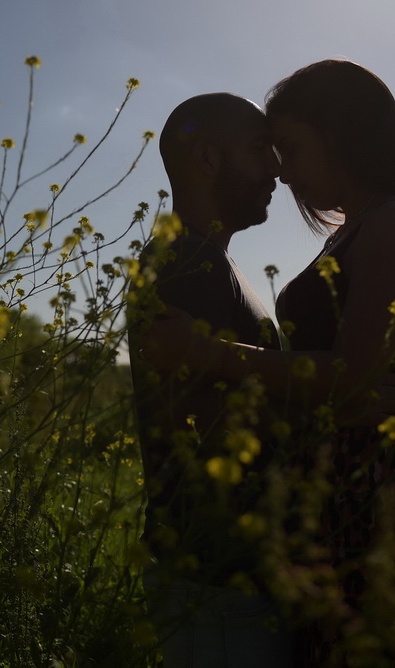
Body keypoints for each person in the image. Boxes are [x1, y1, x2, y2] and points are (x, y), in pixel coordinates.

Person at [140, 60, 395, 665]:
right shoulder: (204, 259)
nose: (281, 170)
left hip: (374, 491)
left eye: (288, 148)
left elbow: (352, 375)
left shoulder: (392, 223)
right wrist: (325, 413)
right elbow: (201, 412)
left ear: (339, 134)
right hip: (315, 507)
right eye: (268, 149)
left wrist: (211, 354)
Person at [127, 93, 292, 667]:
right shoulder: (184, 265)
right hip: (214, 582)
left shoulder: (212, 261)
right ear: (206, 158)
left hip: (235, 578)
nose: (277, 167)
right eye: (258, 150)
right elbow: (205, 424)